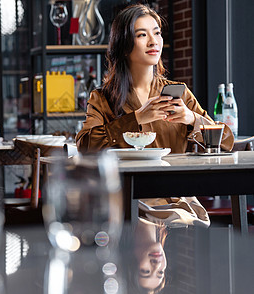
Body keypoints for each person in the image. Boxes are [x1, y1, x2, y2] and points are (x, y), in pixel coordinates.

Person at [75, 4, 234, 227]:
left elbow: (226, 140)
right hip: (127, 199)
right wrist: (137, 118)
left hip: (176, 198)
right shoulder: (102, 98)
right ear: (124, 45)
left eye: (157, 32)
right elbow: (85, 145)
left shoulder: (180, 93)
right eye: (142, 35)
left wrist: (191, 119)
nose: (154, 41)